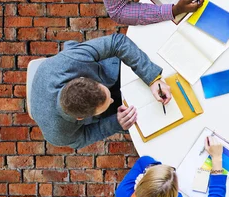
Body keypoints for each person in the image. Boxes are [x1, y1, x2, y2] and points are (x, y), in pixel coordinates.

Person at [30, 33, 171, 149]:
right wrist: (116, 122)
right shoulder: (58, 134)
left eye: (107, 97)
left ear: (82, 77)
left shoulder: (71, 60)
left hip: (109, 73)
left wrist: (153, 79)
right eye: (107, 103)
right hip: (112, 114)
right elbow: (82, 138)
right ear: (81, 118)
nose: (111, 100)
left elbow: (117, 42)